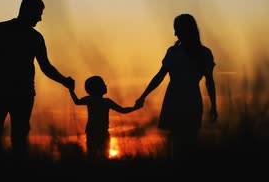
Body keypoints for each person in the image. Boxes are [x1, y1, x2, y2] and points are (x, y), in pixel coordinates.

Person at [0, 0, 75, 161]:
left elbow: (45, 67)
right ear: (27, 10)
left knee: (10, 136)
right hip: (4, 91)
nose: (39, 18)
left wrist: (63, 80)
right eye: (38, 13)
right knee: (0, 135)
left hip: (17, 93)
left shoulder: (29, 36)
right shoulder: (4, 30)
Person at [135, 13, 217, 159]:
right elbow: (160, 76)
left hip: (190, 98)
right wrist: (143, 95)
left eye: (177, 29)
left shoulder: (204, 53)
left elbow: (209, 81)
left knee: (189, 138)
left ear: (187, 30)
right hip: (175, 97)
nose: (175, 33)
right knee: (176, 139)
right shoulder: (173, 52)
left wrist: (214, 106)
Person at [69, 75, 142, 160]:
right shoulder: (106, 102)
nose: (105, 86)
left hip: (93, 131)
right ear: (97, 88)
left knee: (92, 154)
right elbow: (123, 110)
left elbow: (77, 101)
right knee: (103, 154)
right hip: (101, 131)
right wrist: (135, 108)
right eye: (103, 84)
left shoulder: (90, 99)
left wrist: (71, 89)